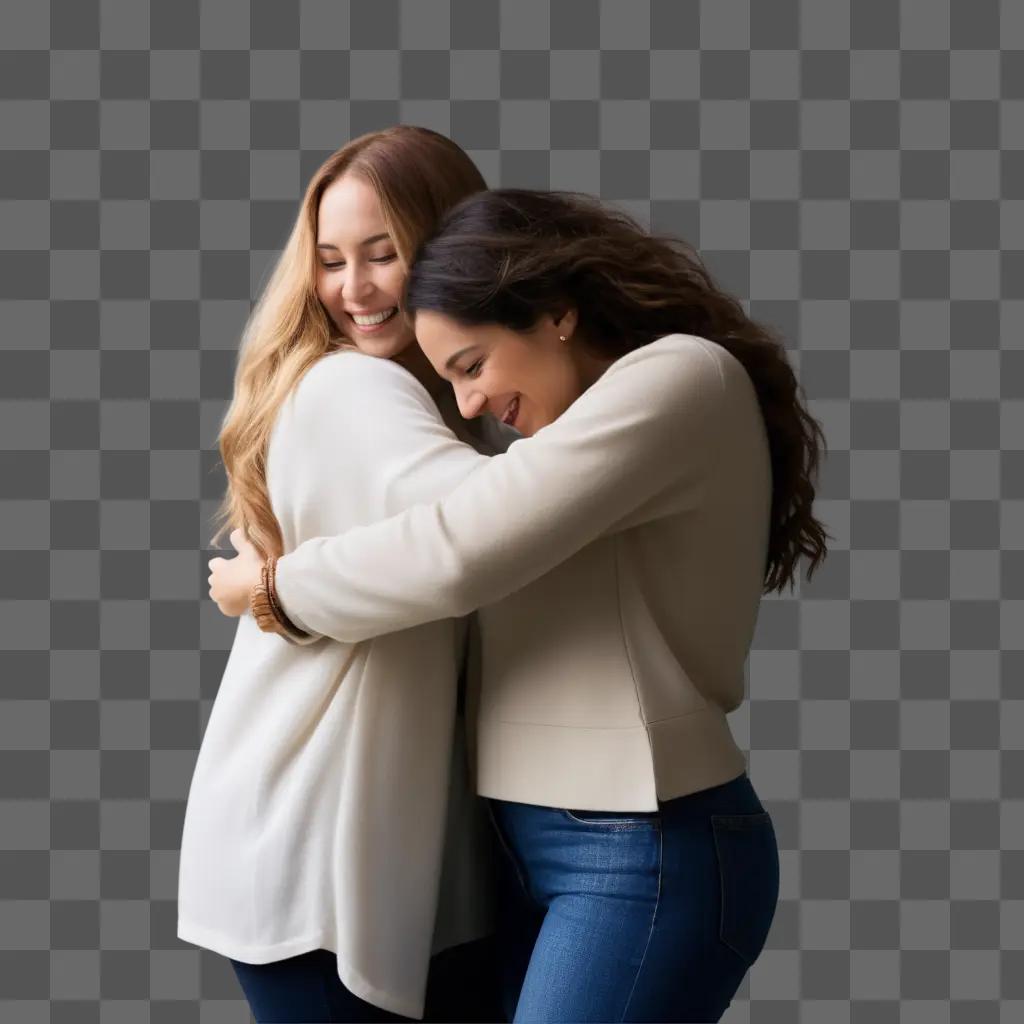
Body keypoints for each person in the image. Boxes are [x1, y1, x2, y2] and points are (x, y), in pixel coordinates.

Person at [208, 188, 833, 1022]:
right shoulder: (570, 437)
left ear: (555, 315)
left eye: (471, 366)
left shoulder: (681, 377)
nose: (467, 405)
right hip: (528, 846)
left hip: (642, 847)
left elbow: (459, 547)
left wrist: (277, 589)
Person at [177, 125, 516, 1023]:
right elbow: (503, 524)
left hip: (301, 833)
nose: (353, 290)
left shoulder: (394, 394)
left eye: (382, 255)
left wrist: (274, 592)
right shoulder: (358, 390)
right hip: (319, 845)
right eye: (330, 260)